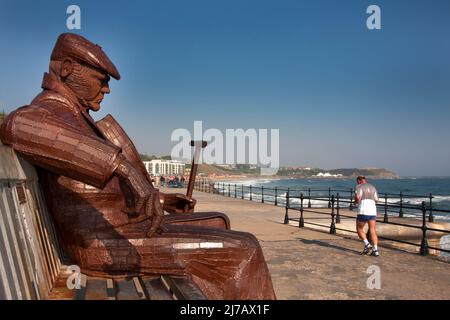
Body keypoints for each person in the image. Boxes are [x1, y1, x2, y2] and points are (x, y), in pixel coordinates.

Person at [0, 33, 276, 299]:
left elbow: (103, 194)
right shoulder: (48, 110)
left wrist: (163, 199)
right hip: (102, 244)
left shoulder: (76, 117)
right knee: (245, 249)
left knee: (218, 221)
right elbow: (17, 126)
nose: (106, 89)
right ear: (69, 69)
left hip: (121, 229)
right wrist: (124, 167)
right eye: (101, 79)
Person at [354, 176, 380, 257]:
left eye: (357, 181)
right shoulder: (373, 187)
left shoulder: (358, 186)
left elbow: (358, 198)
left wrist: (355, 202)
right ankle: (375, 250)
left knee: (359, 228)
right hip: (372, 211)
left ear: (359, 181)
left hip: (363, 211)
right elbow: (376, 200)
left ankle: (367, 244)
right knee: (372, 230)